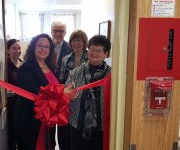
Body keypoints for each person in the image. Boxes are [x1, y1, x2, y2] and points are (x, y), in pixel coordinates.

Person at [65, 35, 111, 150]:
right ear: (88, 50)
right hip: (77, 124)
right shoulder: (75, 73)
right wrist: (66, 92)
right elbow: (66, 91)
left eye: (99, 50)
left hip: (102, 126)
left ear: (105, 54)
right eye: (92, 49)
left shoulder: (112, 75)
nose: (94, 53)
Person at [13, 33, 58, 150]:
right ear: (34, 47)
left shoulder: (50, 67)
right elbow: (34, 93)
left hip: (48, 120)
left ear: (50, 49)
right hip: (30, 120)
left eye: (47, 46)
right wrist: (60, 92)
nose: (43, 49)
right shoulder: (26, 68)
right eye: (40, 45)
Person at [51, 21, 71, 150]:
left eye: (61, 31)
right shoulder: (45, 46)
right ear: (51, 31)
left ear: (65, 32)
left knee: (64, 126)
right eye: (55, 30)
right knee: (49, 124)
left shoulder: (71, 47)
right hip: (50, 93)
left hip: (65, 94)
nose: (58, 33)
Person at [6, 39, 22, 150]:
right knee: (12, 135)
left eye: (19, 48)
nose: (17, 51)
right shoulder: (5, 67)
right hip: (11, 106)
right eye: (14, 48)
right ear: (8, 50)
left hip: (22, 104)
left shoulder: (23, 64)